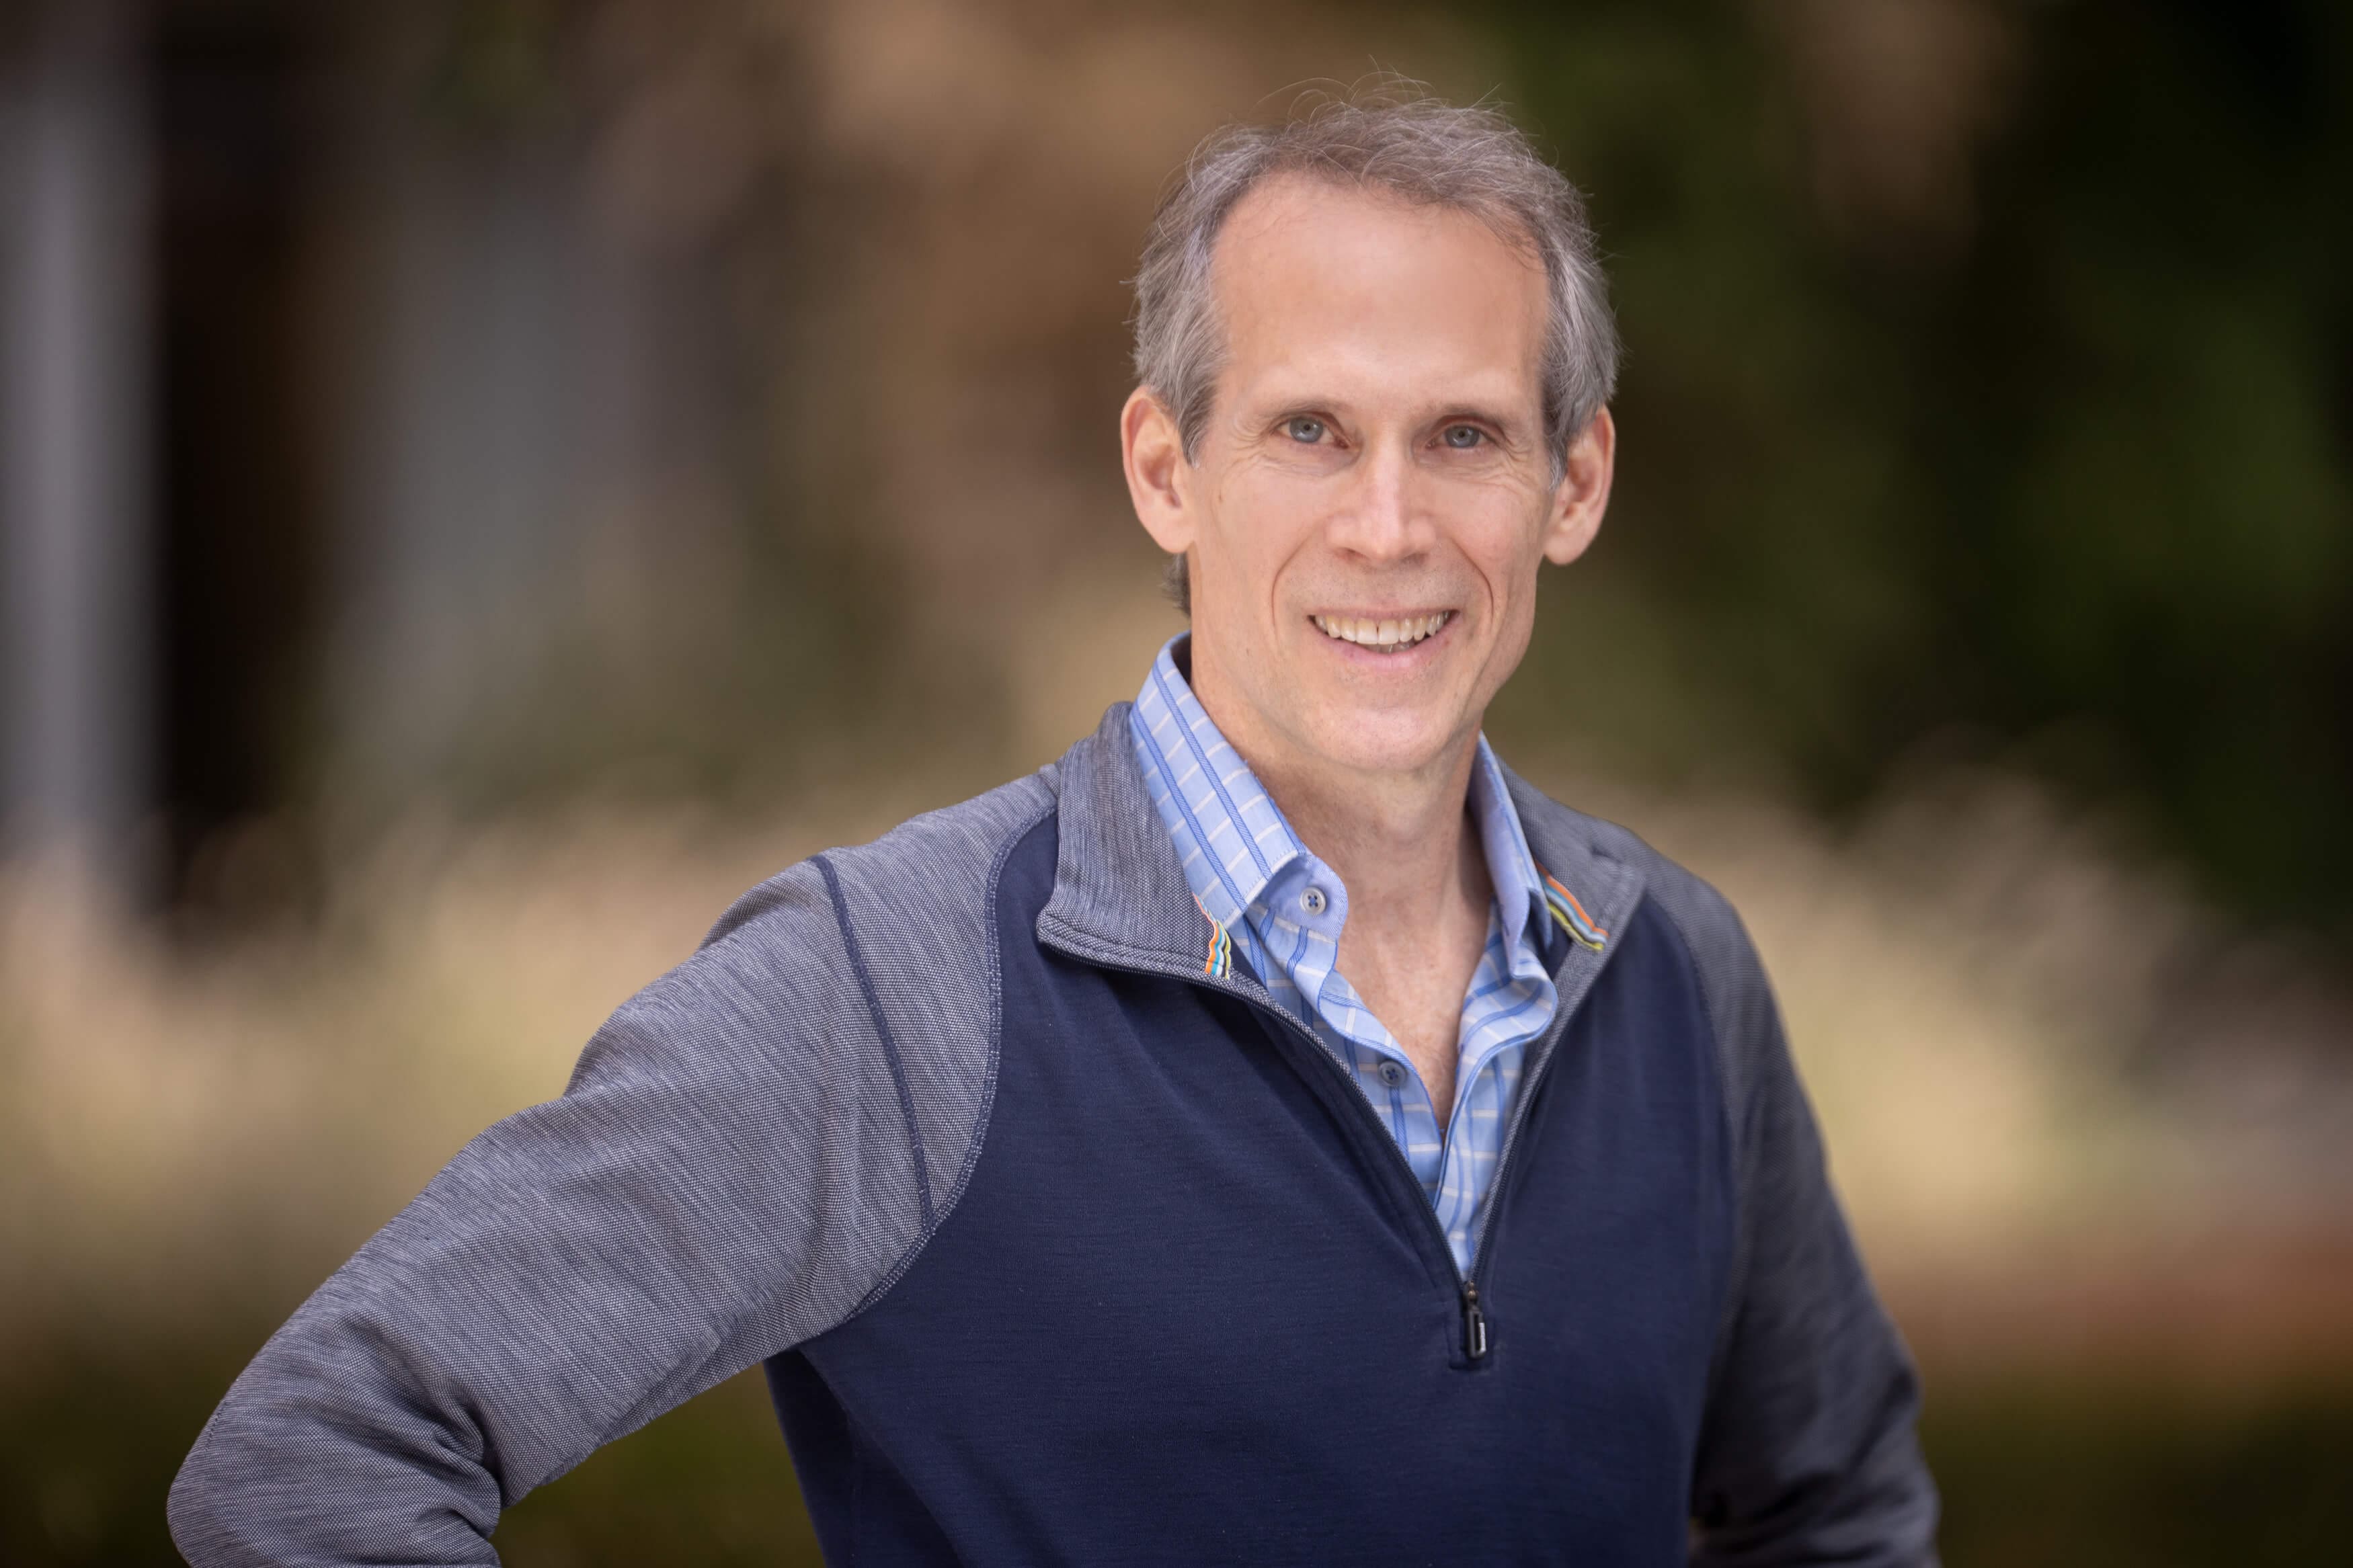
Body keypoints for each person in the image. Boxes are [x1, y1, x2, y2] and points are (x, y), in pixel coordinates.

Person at [170, 92, 1938, 1565]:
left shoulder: (1676, 981)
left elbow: (1835, 1515)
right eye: (1307, 430)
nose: (1387, 527)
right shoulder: (892, 991)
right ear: (1165, 467)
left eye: (1462, 436)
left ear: (1574, 484)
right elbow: (326, 1448)